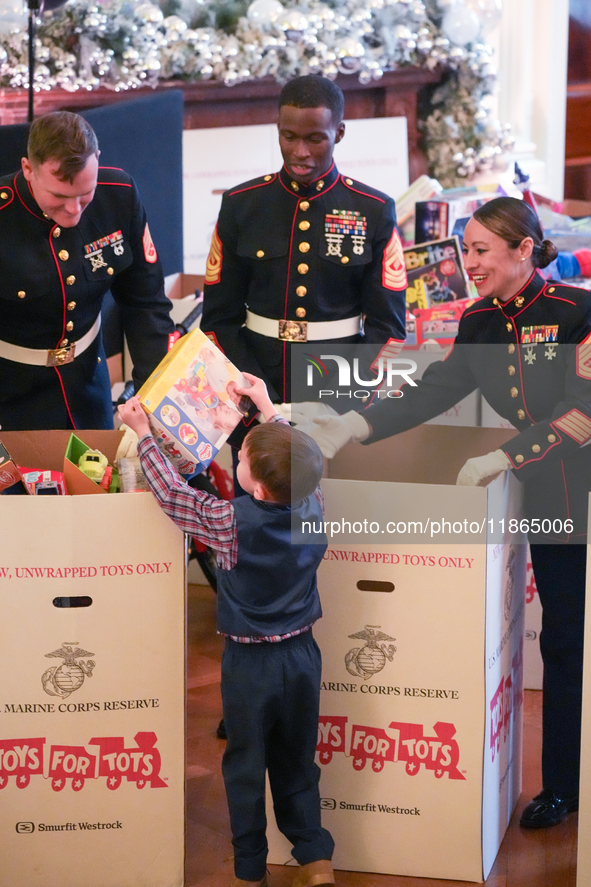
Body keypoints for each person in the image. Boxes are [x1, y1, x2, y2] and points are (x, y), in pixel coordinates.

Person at [293, 196, 591, 829]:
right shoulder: (480, 319)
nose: (469, 262)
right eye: (467, 247)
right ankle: (565, 786)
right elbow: (437, 388)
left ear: (524, 250)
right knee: (565, 639)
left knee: (572, 638)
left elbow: (582, 413)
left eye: (483, 250)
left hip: (582, 487)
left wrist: (502, 456)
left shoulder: (578, 310)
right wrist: (354, 424)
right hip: (549, 494)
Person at [118, 373, 335, 887]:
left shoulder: (228, 520)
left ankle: (248, 869)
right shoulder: (311, 504)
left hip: (250, 665)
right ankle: (316, 860)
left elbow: (173, 496)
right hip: (303, 656)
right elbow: (291, 461)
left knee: (244, 765)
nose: (234, 462)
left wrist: (144, 434)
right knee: (298, 762)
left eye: (238, 460)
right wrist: (260, 410)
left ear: (255, 485)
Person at [201, 74, 408, 442]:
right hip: (255, 382)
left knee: (331, 499)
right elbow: (218, 319)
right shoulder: (241, 204)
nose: (300, 151)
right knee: (255, 495)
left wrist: (342, 401)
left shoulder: (372, 209)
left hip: (335, 392)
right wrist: (253, 394)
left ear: (339, 133)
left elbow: (387, 330)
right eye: (289, 137)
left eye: (315, 138)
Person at [0, 110, 174, 431]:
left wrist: (153, 394)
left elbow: (145, 302)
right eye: (59, 196)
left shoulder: (118, 195)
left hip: (88, 389)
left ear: (97, 158)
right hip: (12, 400)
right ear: (28, 169)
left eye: (85, 194)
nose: (74, 210)